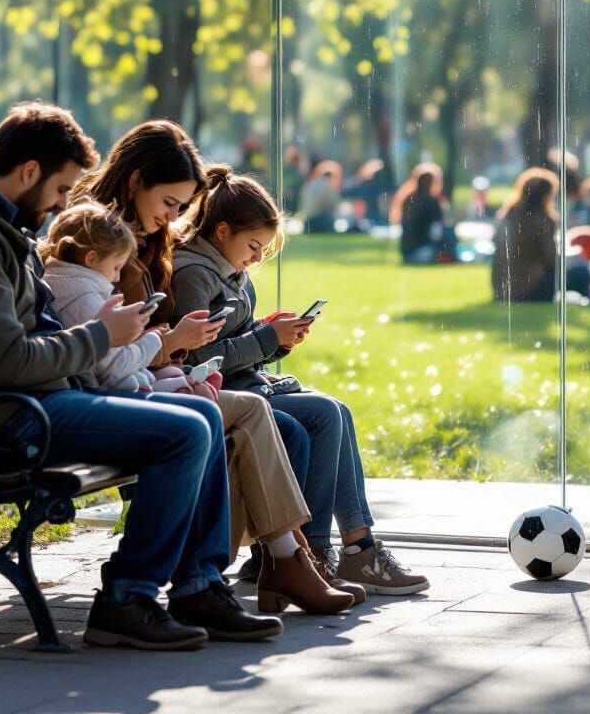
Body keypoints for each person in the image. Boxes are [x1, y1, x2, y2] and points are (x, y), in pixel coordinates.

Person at [0, 102, 281, 649]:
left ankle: (198, 585)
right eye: (59, 188)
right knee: (185, 430)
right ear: (29, 171)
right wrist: (104, 336)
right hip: (1, 422)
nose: (61, 203)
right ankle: (127, 597)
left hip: (33, 404)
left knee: (200, 413)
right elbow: (7, 361)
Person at [72, 121, 352, 615]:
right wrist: (174, 344)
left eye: (181, 207)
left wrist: (183, 348)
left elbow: (143, 342)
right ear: (135, 182)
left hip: (155, 378)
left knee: (314, 415)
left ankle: (287, 559)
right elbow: (112, 351)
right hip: (130, 388)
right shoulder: (104, 248)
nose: (174, 218)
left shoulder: (149, 244)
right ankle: (252, 567)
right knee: (260, 420)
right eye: (169, 203)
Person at [172, 166, 431, 600]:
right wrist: (266, 338)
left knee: (338, 409)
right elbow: (200, 357)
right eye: (253, 246)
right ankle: (316, 552)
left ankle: (355, 546)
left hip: (245, 384)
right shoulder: (193, 274)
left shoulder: (230, 270)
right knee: (325, 414)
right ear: (221, 231)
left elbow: (236, 340)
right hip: (222, 392)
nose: (257, 257)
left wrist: (274, 338)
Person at [41, 201, 222, 396]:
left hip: (103, 381)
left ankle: (180, 381)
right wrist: (153, 340)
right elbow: (116, 366)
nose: (117, 277)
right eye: (116, 267)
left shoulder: (68, 288)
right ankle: (181, 384)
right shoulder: (84, 300)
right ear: (91, 259)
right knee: (191, 394)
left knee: (173, 376)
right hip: (100, 389)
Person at [492, 168, 590, 302]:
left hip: (502, 291)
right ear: (546, 195)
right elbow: (552, 261)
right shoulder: (541, 220)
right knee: (582, 273)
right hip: (528, 289)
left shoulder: (508, 216)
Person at [400, 170, 451, 264]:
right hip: (424, 251)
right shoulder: (431, 202)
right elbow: (436, 233)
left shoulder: (409, 199)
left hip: (407, 253)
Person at [301, 160, 342, 233]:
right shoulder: (327, 187)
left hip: (308, 222)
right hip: (321, 222)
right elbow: (333, 205)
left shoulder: (310, 185)